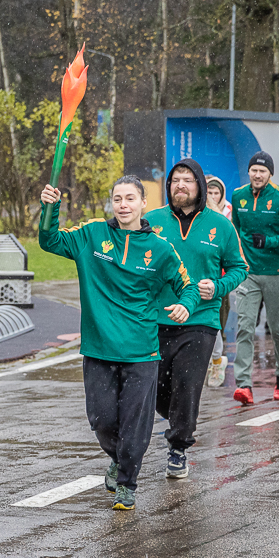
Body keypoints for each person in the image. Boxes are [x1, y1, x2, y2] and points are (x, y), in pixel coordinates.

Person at [39, 176, 199, 510]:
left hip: (141, 351)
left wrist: (186, 304)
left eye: (130, 198)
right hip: (99, 348)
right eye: (117, 199)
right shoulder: (92, 234)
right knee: (102, 420)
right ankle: (119, 459)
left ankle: (127, 483)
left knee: (134, 424)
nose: (123, 205)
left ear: (143, 203)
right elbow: (50, 240)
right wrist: (50, 208)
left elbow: (188, 285)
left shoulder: (160, 248)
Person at [148, 160, 248, 478]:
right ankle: (181, 418)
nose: (180, 185)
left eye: (187, 180)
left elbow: (239, 268)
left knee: (187, 385)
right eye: (175, 180)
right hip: (158, 317)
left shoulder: (221, 226)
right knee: (154, 386)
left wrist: (217, 286)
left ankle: (178, 447)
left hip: (201, 319)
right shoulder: (152, 221)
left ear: (200, 186)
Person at [231, 151, 279, 405]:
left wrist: (269, 241)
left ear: (270, 174)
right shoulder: (238, 196)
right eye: (254, 170)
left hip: (276, 271)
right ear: (249, 172)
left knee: (277, 327)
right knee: (245, 325)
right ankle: (243, 384)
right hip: (248, 272)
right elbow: (235, 230)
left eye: (262, 171)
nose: (257, 175)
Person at [205, 174, 233, 386]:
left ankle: (216, 360)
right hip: (192, 277)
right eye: (209, 192)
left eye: (216, 193)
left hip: (218, 278)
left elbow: (234, 254)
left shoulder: (226, 216)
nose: (212, 196)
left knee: (215, 322)